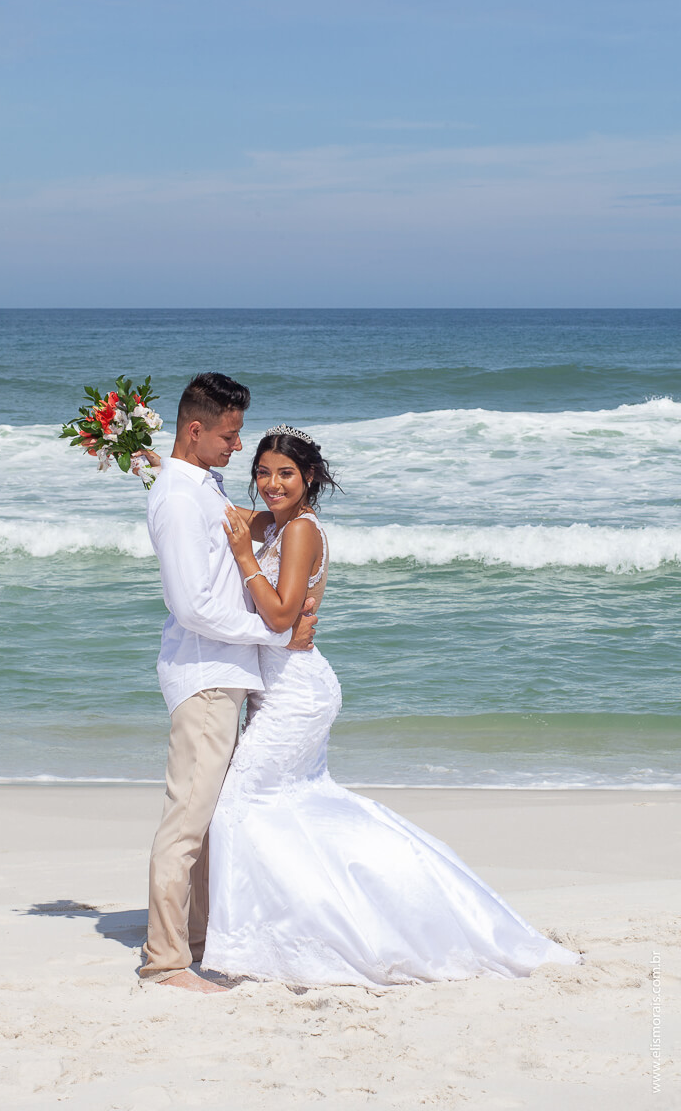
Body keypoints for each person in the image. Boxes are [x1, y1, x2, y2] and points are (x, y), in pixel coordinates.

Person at [200, 425, 581, 986]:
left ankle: (281, 934)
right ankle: (303, 923)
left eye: (286, 473)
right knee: (292, 808)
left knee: (241, 803)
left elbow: (280, 617)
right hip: (282, 688)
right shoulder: (275, 522)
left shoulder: (300, 530)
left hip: (296, 694)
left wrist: (242, 557)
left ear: (309, 477)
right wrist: (151, 461)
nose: (272, 483)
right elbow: (216, 511)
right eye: (262, 472)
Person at [139, 377, 318, 993]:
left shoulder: (198, 483)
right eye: (229, 434)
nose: (238, 447)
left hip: (225, 672)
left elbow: (234, 521)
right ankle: (165, 962)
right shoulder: (178, 498)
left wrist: (156, 461)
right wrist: (274, 635)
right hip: (206, 674)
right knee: (187, 823)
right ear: (196, 431)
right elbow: (192, 606)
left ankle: (198, 940)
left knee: (210, 821)